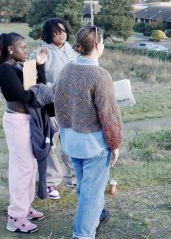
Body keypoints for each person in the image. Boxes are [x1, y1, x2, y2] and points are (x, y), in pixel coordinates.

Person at [52, 26, 123, 238]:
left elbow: (56, 96)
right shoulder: (100, 75)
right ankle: (82, 234)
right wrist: (115, 143)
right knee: (91, 193)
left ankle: (96, 216)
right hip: (94, 144)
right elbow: (108, 115)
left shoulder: (67, 68)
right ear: (99, 45)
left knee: (85, 187)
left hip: (70, 141)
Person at [0, 32, 49, 233]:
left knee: (30, 167)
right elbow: (25, 94)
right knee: (22, 170)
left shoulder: (18, 67)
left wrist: (39, 65)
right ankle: (15, 217)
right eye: (23, 47)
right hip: (17, 121)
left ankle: (25, 208)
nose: (26, 51)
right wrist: (39, 90)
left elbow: (40, 86)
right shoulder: (5, 69)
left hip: (28, 120)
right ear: (11, 49)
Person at [30, 18, 79, 200]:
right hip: (49, 105)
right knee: (51, 143)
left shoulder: (73, 50)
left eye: (64, 30)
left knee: (71, 141)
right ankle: (51, 183)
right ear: (48, 34)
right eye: (56, 31)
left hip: (72, 104)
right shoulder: (39, 52)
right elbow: (30, 81)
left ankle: (73, 177)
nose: (61, 34)